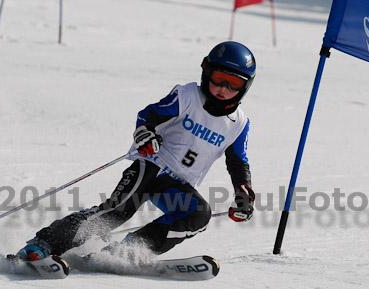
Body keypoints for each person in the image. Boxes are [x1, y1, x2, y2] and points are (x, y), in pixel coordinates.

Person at [16, 41, 257, 263]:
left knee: (198, 214)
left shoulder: (238, 124)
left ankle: (130, 249)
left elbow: (238, 162)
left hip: (176, 184)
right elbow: (149, 114)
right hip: (151, 165)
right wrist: (145, 132)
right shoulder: (187, 97)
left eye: (233, 84)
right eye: (218, 78)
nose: (223, 88)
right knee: (118, 211)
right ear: (206, 72)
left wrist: (243, 191)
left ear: (245, 87)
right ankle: (44, 243)